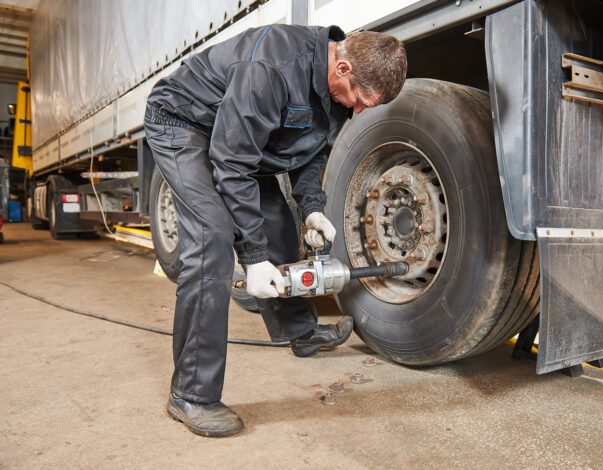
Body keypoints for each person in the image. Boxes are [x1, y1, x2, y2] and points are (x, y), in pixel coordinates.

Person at [144, 24, 407, 437]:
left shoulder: (334, 88)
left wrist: (313, 210)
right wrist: (252, 258)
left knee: (279, 224)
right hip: (183, 123)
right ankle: (191, 395)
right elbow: (231, 163)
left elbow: (309, 151)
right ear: (342, 67)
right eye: (359, 100)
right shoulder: (272, 67)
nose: (357, 110)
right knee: (211, 237)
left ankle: (298, 332)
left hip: (244, 140)